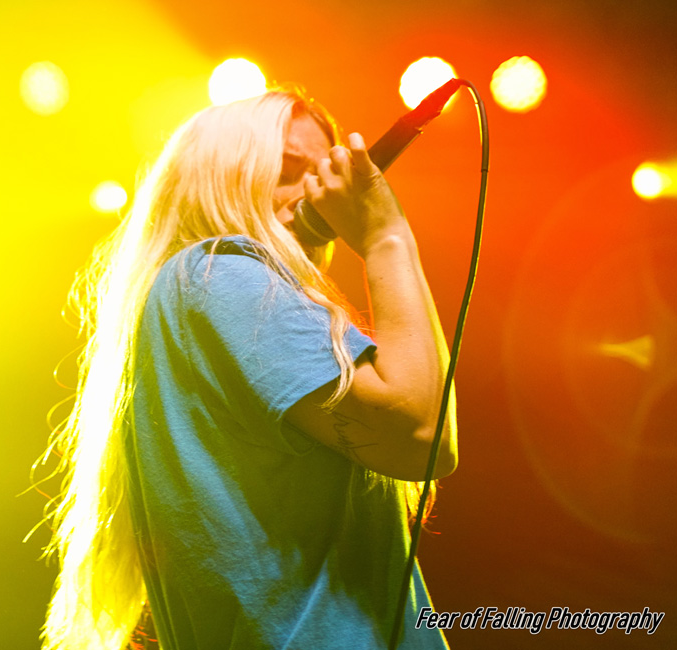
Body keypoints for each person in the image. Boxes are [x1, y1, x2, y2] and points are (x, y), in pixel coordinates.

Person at [36, 89, 458, 649]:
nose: (316, 193)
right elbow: (421, 437)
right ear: (219, 175)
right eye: (287, 169)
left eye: (321, 174)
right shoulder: (220, 276)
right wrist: (386, 237)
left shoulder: (193, 293)